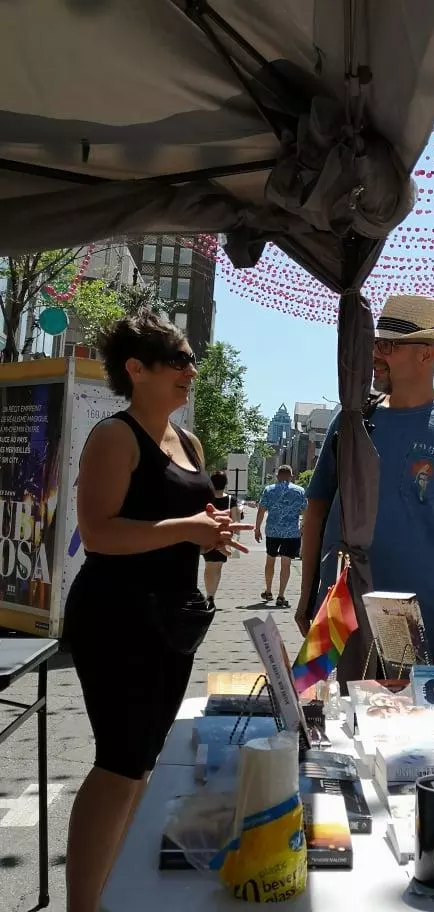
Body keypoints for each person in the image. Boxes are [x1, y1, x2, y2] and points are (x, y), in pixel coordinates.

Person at [62, 313, 250, 912]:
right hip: (117, 617)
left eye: (191, 360)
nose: (191, 371)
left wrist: (211, 531)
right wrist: (185, 529)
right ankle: (84, 906)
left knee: (141, 762)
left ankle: (113, 889)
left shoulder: (187, 440)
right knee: (119, 763)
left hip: (171, 619)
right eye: (178, 360)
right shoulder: (114, 437)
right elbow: (97, 534)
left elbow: (184, 519)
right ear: (135, 370)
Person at [297, 295, 434, 676]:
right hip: (337, 610)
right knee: (329, 716)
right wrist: (307, 594)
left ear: (427, 353)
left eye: (387, 345)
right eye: (374, 342)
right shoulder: (350, 422)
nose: (374, 353)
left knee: (408, 725)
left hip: (420, 618)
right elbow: (318, 508)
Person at [255, 465, 307, 607]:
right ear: (291, 476)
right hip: (291, 533)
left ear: (277, 476)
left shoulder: (269, 490)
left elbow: (261, 510)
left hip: (273, 531)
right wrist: (303, 527)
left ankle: (268, 590)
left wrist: (257, 528)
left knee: (270, 560)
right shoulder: (300, 491)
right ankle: (281, 595)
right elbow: (305, 511)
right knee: (286, 563)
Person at [203, 470, 242, 607]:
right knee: (218, 566)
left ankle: (209, 595)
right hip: (224, 537)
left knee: (209, 565)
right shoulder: (231, 500)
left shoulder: (205, 498)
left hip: (207, 535)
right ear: (225, 484)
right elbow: (236, 521)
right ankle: (211, 595)